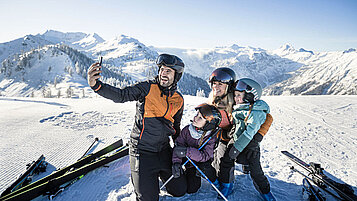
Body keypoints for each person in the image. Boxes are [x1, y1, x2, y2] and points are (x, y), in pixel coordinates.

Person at [87, 53, 187, 201]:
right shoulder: (147, 88)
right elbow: (121, 95)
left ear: (176, 76)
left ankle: (154, 176)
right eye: (162, 69)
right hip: (142, 150)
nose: (163, 74)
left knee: (180, 190)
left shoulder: (178, 99)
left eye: (168, 71)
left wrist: (180, 151)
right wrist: (96, 86)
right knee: (148, 199)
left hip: (163, 150)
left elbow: (176, 127)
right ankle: (143, 178)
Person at [207, 68, 273, 199]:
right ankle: (226, 184)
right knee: (222, 164)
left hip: (242, 140)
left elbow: (266, 118)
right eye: (214, 83)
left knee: (255, 169)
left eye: (220, 84)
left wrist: (258, 136)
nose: (216, 87)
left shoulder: (240, 102)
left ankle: (265, 191)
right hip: (225, 139)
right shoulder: (213, 100)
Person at [227, 78, 276, 201]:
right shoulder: (239, 108)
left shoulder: (256, 112)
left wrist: (236, 148)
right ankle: (226, 183)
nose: (236, 98)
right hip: (237, 140)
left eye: (239, 95)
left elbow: (249, 133)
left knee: (256, 172)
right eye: (235, 95)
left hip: (250, 146)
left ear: (250, 96)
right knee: (226, 160)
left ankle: (265, 192)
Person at [171, 103, 222, 194]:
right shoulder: (187, 130)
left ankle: (215, 181)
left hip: (200, 163)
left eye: (200, 118)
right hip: (186, 161)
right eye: (196, 115)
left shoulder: (210, 137)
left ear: (208, 124)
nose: (195, 118)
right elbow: (178, 146)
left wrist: (187, 151)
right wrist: (176, 162)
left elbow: (206, 156)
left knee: (192, 189)